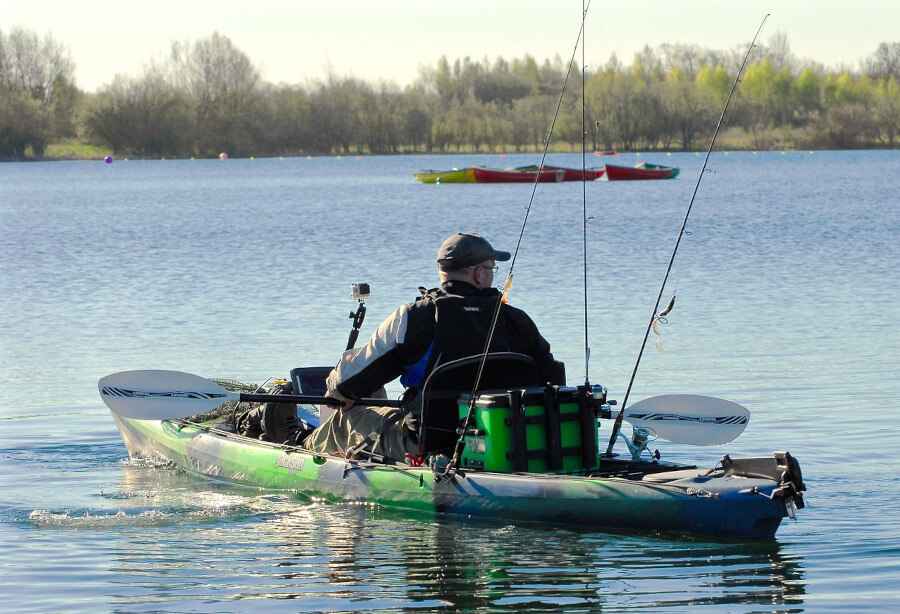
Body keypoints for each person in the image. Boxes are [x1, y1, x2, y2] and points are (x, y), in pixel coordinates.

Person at [301, 231, 561, 462]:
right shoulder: (517, 321)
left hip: (427, 446)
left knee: (345, 417)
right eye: (492, 268)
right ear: (479, 274)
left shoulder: (413, 318)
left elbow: (348, 382)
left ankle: (297, 447)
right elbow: (552, 380)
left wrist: (336, 388)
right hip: (507, 443)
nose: (492, 275)